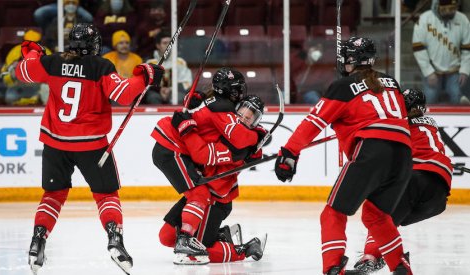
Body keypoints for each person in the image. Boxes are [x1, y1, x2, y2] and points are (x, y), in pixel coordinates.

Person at [14, 23, 163, 275]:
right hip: (91, 144)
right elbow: (124, 94)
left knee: (53, 195)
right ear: (94, 44)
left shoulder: (52, 62)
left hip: (55, 142)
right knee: (106, 196)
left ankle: (38, 240)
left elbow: (22, 72)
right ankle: (115, 239)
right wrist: (145, 75)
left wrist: (32, 52)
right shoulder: (101, 66)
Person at [274, 37, 414, 275]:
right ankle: (400, 267)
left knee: (333, 213)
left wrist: (289, 152)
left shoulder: (342, 87)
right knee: (377, 216)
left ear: (350, 60)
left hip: (371, 150)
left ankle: (332, 269)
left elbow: (314, 122)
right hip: (403, 155)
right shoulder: (392, 82)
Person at [151, 67, 267, 264]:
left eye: (250, 117)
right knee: (169, 235)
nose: (243, 117)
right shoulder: (224, 117)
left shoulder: (236, 140)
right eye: (242, 112)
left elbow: (206, 152)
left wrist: (187, 126)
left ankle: (245, 248)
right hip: (178, 157)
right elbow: (204, 149)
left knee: (195, 243)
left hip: (216, 200)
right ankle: (201, 238)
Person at [347, 88, 453, 274]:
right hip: (438, 195)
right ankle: (386, 255)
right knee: (387, 222)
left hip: (415, 180)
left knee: (378, 215)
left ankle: (372, 258)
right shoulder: (430, 125)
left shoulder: (401, 124)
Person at [412, 0, 470, 104]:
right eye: (445, 9)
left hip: (455, 71)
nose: (449, 12)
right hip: (432, 71)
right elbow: (418, 48)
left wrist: (465, 70)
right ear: (436, 6)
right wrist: (428, 72)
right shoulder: (424, 19)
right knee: (429, 102)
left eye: (452, 9)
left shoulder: (463, 20)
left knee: (458, 101)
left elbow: (467, 48)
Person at [0, 29, 52, 106]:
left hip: (39, 87)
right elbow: (3, 75)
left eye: (35, 44)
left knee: (47, 91)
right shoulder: (15, 52)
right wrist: (12, 74)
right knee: (11, 96)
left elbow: (54, 75)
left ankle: (47, 113)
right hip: (19, 86)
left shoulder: (47, 53)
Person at [144, 30, 192, 104]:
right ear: (158, 45)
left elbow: (187, 83)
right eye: (165, 43)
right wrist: (160, 89)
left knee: (178, 97)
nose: (168, 46)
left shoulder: (180, 62)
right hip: (157, 94)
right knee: (152, 97)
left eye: (170, 43)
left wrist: (170, 89)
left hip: (175, 93)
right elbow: (145, 84)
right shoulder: (150, 63)